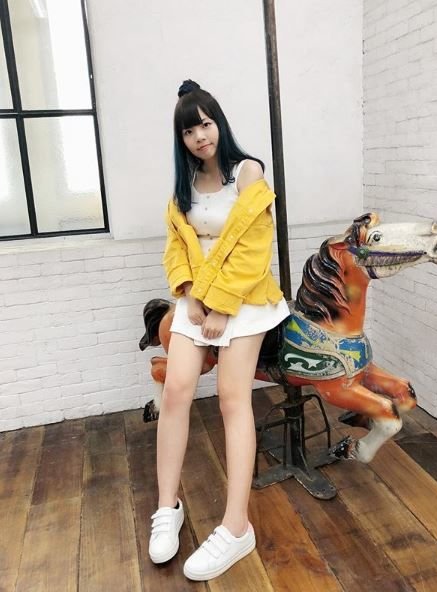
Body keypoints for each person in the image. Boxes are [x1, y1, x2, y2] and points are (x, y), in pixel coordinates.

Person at [149, 79, 290, 581]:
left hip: (245, 299)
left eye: (205, 124)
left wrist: (223, 307)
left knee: (232, 399)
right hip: (198, 299)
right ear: (181, 139)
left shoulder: (247, 171)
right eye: (189, 131)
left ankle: (236, 527)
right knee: (176, 391)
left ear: (219, 123)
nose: (200, 137)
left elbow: (255, 247)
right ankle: (167, 507)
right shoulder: (183, 184)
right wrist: (190, 293)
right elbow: (176, 246)